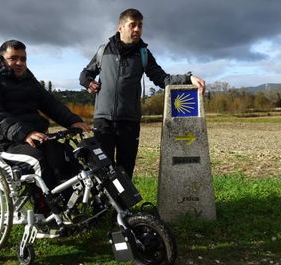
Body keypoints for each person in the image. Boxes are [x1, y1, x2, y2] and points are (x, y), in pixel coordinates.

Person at [79, 8, 206, 178]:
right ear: (121, 27)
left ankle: (124, 205)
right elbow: (84, 74)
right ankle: (103, 205)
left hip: (129, 122)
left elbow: (163, 79)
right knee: (102, 170)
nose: (137, 29)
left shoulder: (143, 53)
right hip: (103, 121)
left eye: (140, 25)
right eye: (133, 25)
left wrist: (188, 78)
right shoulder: (104, 51)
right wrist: (88, 82)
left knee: (125, 170)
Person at [0, 39, 91, 191]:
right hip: (5, 143)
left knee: (63, 151)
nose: (19, 63)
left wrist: (72, 121)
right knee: (37, 160)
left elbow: (49, 103)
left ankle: (71, 202)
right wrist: (24, 133)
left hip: (32, 139)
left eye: (23, 59)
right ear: (2, 59)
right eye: (13, 58)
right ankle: (46, 208)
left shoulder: (27, 79)